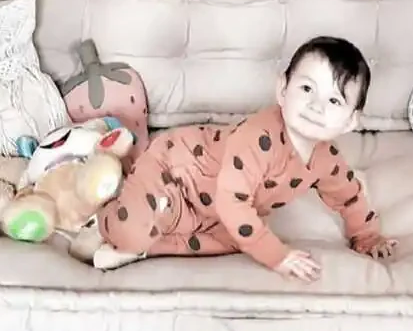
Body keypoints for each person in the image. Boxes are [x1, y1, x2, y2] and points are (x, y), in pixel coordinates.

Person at [83, 35, 397, 280]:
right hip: (173, 172)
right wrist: (278, 256)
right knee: (133, 231)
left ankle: (145, 250)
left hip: (211, 210)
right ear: (282, 89)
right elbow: (233, 201)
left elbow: (349, 196)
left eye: (334, 100)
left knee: (239, 238)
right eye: (306, 89)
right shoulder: (258, 138)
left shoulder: (326, 160)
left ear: (351, 121)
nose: (316, 106)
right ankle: (101, 220)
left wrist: (366, 236)